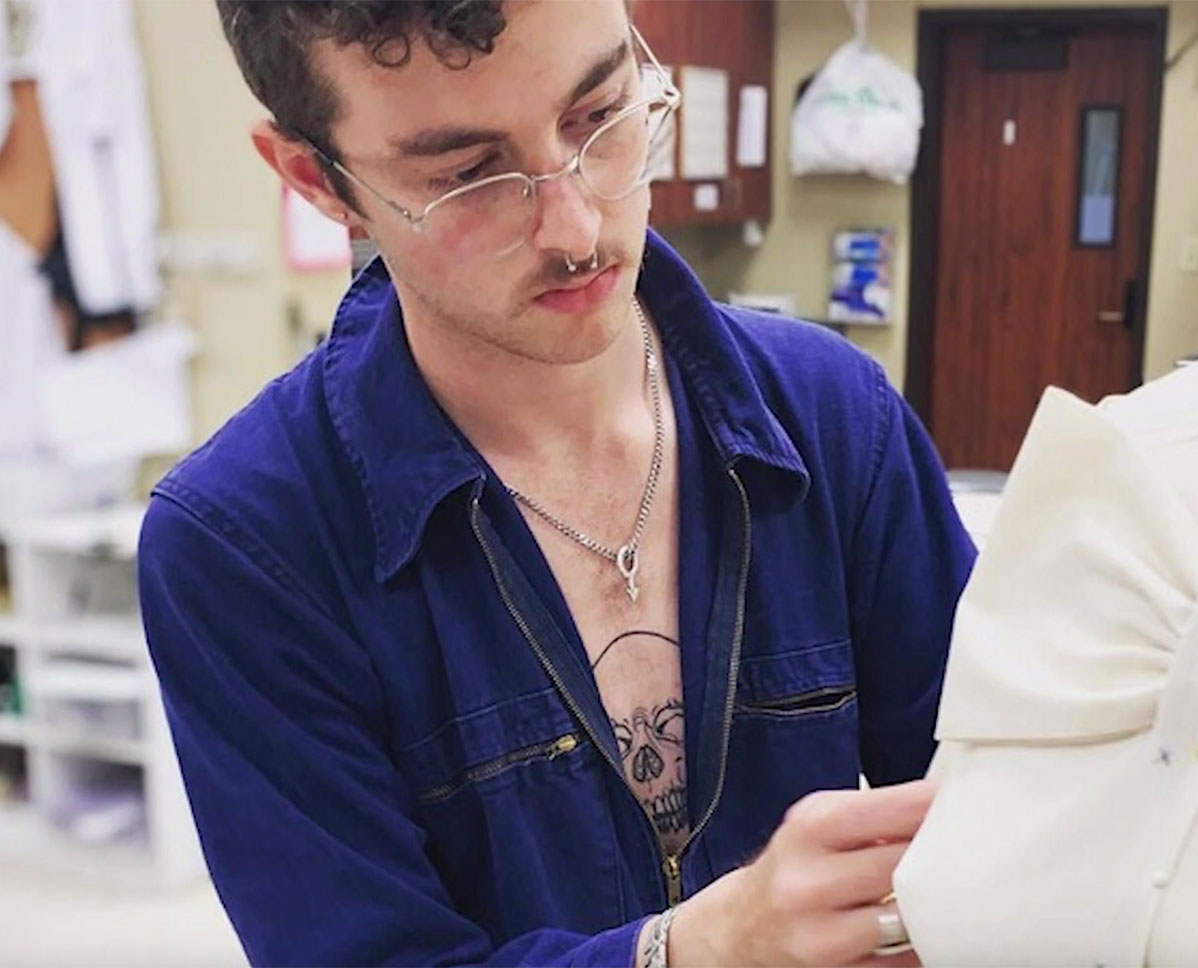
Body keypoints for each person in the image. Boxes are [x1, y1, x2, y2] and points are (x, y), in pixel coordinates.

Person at [138, 1, 974, 965]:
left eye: (600, 115)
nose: (577, 226)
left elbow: (1004, 802)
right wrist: (695, 952)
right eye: (467, 175)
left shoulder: (835, 419)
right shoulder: (245, 542)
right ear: (316, 178)